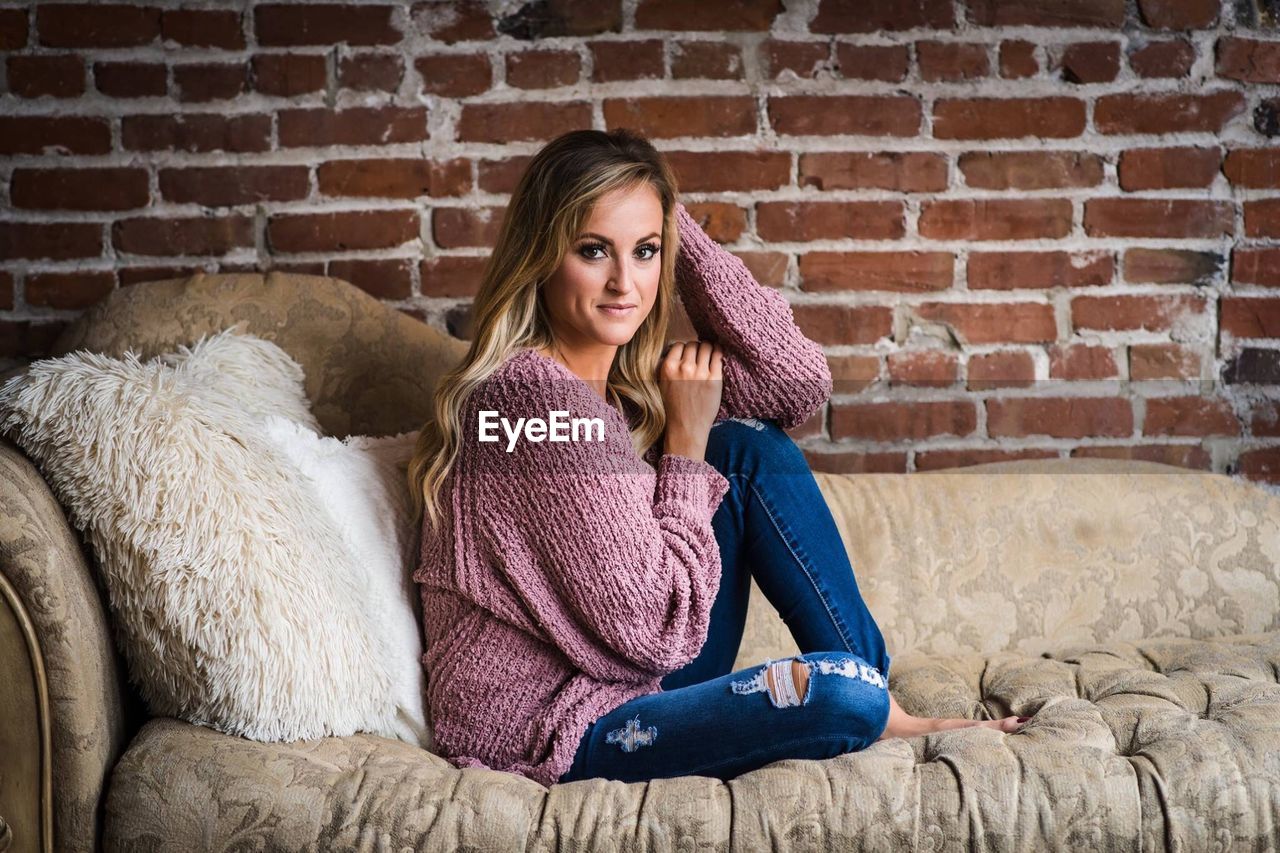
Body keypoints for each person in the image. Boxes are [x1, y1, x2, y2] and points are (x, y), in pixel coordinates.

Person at [406, 128, 1030, 788]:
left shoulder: (620, 391)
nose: (625, 282)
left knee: (745, 449)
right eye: (594, 250)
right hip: (552, 731)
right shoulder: (530, 399)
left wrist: (669, 216)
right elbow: (653, 626)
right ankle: (877, 702)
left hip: (625, 684)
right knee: (845, 695)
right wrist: (683, 449)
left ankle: (889, 709)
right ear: (542, 257)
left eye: (645, 252)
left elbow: (796, 383)